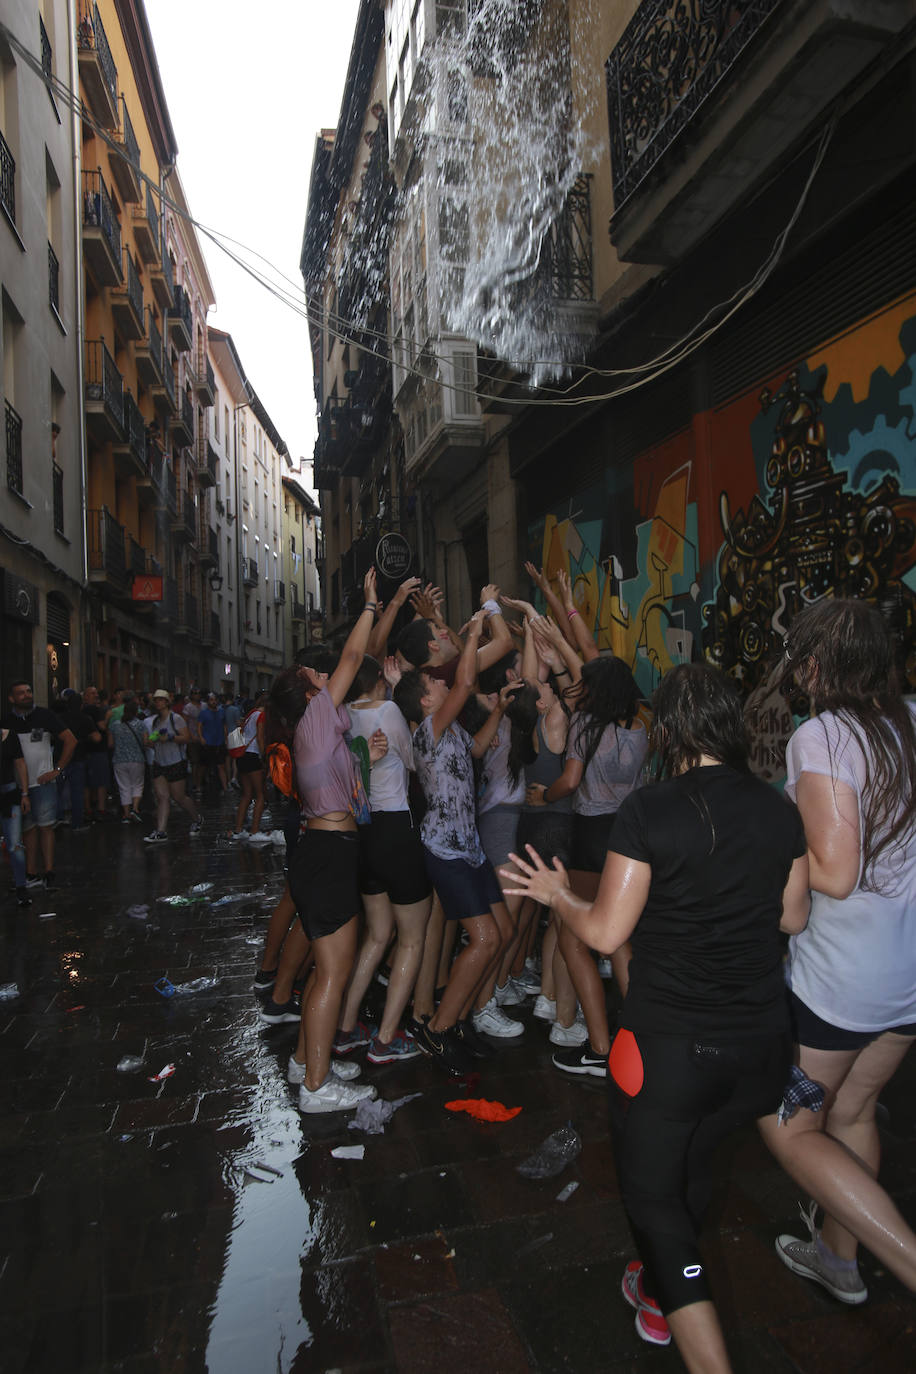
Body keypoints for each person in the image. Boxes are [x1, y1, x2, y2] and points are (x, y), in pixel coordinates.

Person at [502, 663, 811, 1369]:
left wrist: (556, 894)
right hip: (761, 1048)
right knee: (697, 1161)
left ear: (667, 730)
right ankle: (661, 1286)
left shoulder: (651, 809)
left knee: (655, 1205)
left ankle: (679, 1308)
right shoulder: (777, 809)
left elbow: (607, 933)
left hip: (670, 1051)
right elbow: (792, 916)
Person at [758, 598, 916, 1306]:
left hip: (842, 983)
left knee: (794, 1130)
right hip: (908, 973)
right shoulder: (910, 717)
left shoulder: (822, 737)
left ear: (819, 663)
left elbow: (836, 871)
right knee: (853, 1113)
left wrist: (769, 847)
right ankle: (838, 1258)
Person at [261, 569, 384, 1114]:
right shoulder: (314, 720)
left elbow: (342, 775)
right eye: (317, 677)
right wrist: (370, 606)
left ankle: (307, 1061)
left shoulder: (316, 726)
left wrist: (369, 760)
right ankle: (316, 1087)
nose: (325, 676)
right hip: (330, 855)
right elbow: (354, 661)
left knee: (322, 970)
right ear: (309, 692)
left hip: (325, 850)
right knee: (333, 971)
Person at [393, 607, 517, 1071]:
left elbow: (479, 748)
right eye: (435, 686)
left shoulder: (452, 731)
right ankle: (436, 1030)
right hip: (445, 850)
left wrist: (500, 708)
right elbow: (464, 683)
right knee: (484, 938)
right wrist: (479, 626)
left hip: (471, 848)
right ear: (425, 703)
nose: (443, 684)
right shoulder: (428, 730)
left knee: (501, 933)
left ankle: (458, 1018)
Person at [526, 655, 648, 1076]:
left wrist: (545, 797)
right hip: (629, 836)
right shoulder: (639, 729)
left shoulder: (586, 724)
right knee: (619, 939)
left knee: (574, 939)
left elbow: (572, 780)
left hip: (592, 833)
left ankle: (599, 1046)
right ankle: (639, 1036)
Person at [336, 655, 432, 1064]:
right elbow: (413, 761)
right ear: (379, 679)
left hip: (365, 829)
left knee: (377, 935)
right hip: (396, 825)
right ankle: (386, 1038)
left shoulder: (341, 714)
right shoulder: (389, 709)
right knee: (412, 936)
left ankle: (345, 1027)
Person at [1, 681, 76, 889]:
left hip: (43, 782)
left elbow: (70, 740)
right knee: (28, 830)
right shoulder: (6, 722)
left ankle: (49, 871)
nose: (26, 695)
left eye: (28, 692)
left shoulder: (45, 716)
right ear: (11, 698)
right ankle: (31, 872)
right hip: (17, 786)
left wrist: (57, 770)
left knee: (46, 827)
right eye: (21, 693)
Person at [141, 690, 202, 844]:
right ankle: (161, 831)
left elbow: (186, 738)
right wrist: (150, 741)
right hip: (159, 762)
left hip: (175, 761)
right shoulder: (153, 721)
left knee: (179, 797)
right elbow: (149, 741)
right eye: (156, 700)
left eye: (161, 700)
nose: (158, 703)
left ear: (167, 702)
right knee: (162, 797)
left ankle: (197, 818)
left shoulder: (176, 719)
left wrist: (170, 737)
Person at [1, 723, 31, 906]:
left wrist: (25, 793)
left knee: (14, 844)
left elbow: (20, 763)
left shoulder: (9, 736)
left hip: (9, 793)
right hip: (9, 793)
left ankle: (21, 887)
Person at [229, 695, 267, 841]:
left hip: (242, 755)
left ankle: (238, 829)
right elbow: (260, 739)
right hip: (253, 756)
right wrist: (264, 757)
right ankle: (254, 830)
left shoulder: (250, 714)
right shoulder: (261, 716)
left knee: (246, 794)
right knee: (260, 795)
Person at [108, 697, 147, 822]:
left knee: (123, 786)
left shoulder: (114, 725)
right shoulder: (140, 725)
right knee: (137, 784)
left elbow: (110, 744)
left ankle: (126, 814)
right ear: (136, 711)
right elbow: (146, 742)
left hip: (119, 760)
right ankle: (135, 809)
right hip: (137, 759)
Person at [81, 684, 112, 821]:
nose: (96, 695)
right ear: (86, 696)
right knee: (101, 781)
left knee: (87, 783)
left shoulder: (81, 710)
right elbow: (102, 727)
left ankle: (87, 808)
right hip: (98, 750)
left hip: (84, 750)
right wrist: (108, 718)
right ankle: (101, 808)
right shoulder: (95, 710)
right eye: (93, 693)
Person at [197, 693, 228, 792]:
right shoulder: (203, 713)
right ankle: (198, 785)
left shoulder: (221, 711)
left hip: (219, 742)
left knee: (221, 766)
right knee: (203, 766)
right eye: (211, 700)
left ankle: (225, 787)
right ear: (208, 701)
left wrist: (226, 738)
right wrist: (201, 737)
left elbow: (224, 725)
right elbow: (199, 726)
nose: (213, 702)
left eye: (215, 700)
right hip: (207, 742)